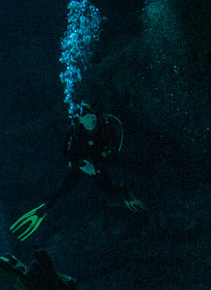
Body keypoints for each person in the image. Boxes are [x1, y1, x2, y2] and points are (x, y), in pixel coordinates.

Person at [11, 102, 145, 240]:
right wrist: (81, 165)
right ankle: (46, 207)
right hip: (81, 162)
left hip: (97, 162)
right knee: (64, 187)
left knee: (108, 188)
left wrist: (96, 167)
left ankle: (123, 191)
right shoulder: (75, 130)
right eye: (86, 117)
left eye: (92, 116)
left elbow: (113, 155)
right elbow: (67, 153)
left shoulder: (105, 128)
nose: (91, 120)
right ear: (80, 120)